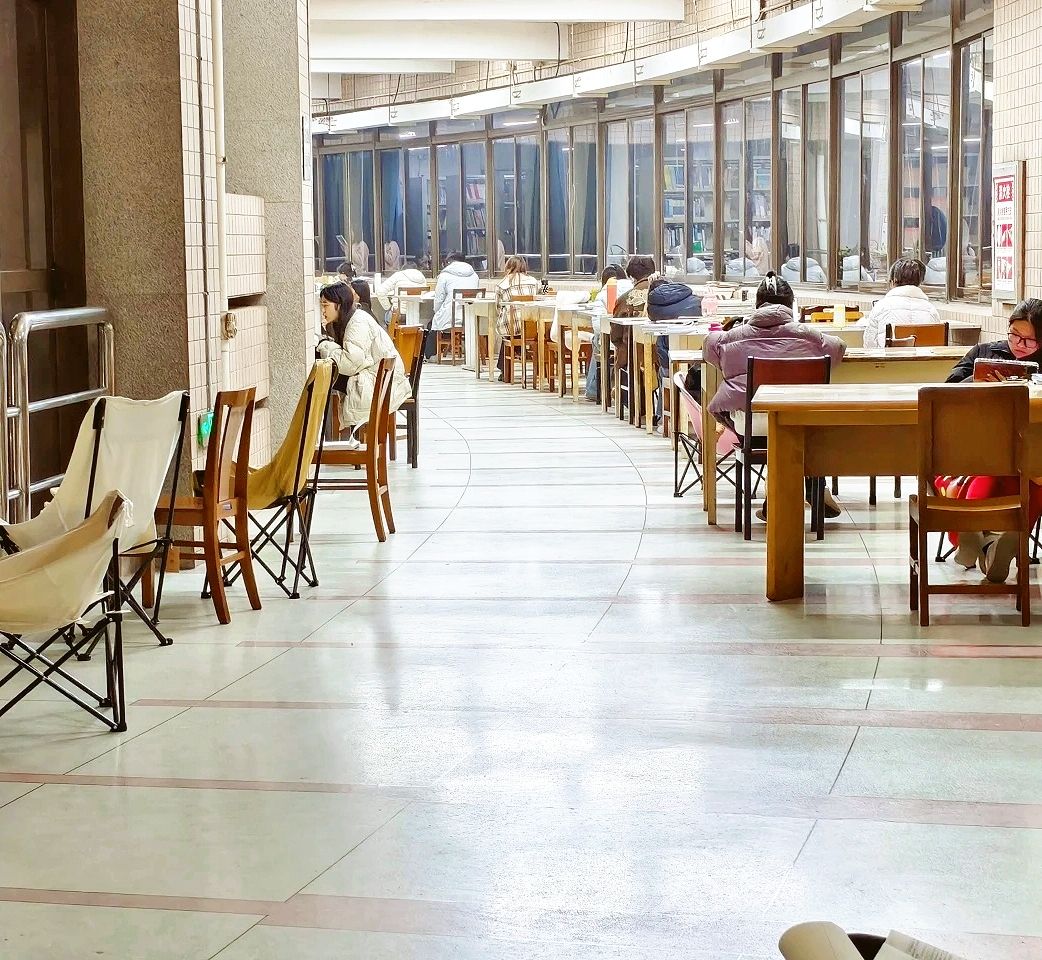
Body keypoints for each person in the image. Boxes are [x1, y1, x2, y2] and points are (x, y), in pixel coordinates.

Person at [703, 272, 846, 519]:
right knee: (797, 429)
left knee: (771, 427)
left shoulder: (731, 338)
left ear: (757, 304)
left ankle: (777, 495)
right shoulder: (810, 336)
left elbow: (709, 345)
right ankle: (814, 489)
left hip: (752, 424)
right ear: (791, 304)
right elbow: (839, 347)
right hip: (801, 420)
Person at [936, 299, 1042, 582]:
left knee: (1033, 473)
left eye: (1030, 341)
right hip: (976, 442)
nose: (1019, 344)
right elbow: (945, 392)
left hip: (1027, 449)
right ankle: (996, 543)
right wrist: (974, 383)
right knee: (1009, 468)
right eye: (1014, 335)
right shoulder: (983, 353)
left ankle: (980, 541)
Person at [315, 282, 411, 445]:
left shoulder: (357, 323)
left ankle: (330, 443)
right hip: (380, 380)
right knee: (326, 377)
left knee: (324, 378)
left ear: (339, 304)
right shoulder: (353, 318)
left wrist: (325, 345)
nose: (322, 310)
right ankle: (331, 441)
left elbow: (350, 364)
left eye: (325, 305)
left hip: (377, 385)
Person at [647, 280, 702, 426]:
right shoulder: (691, 302)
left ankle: (663, 418)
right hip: (699, 367)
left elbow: (662, 354)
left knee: (663, 372)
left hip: (671, 364)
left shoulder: (658, 313)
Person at [862, 259, 941, 349]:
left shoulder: (881, 307)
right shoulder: (931, 310)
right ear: (919, 282)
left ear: (893, 281)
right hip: (924, 358)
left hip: (889, 357)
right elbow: (937, 346)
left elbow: (869, 345)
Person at [585, 264, 632, 401]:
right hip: (633, 340)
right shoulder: (635, 288)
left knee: (596, 339)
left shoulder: (604, 293)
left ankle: (594, 389)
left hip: (614, 341)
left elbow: (598, 326)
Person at [494, 256, 538, 380]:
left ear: (508, 266)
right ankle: (539, 368)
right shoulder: (534, 281)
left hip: (512, 328)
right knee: (528, 334)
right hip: (532, 327)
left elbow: (498, 307)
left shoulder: (502, 284)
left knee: (508, 336)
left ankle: (505, 371)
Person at [430, 252, 479, 358]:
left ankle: (431, 356)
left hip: (452, 316)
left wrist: (436, 312)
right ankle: (470, 356)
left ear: (449, 262)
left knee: (432, 323)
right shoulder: (474, 275)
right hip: (471, 317)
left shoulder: (444, 275)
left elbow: (439, 298)